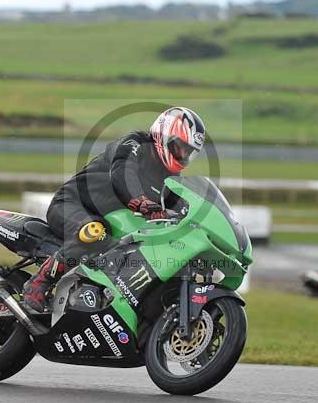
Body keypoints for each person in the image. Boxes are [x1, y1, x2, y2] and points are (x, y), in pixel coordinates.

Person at [22, 107, 206, 312]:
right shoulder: (134, 143)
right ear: (164, 134)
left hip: (110, 225)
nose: (182, 155)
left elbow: (180, 207)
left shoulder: (170, 180)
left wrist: (195, 222)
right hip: (71, 205)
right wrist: (144, 203)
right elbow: (122, 174)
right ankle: (38, 284)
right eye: (179, 147)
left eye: (188, 152)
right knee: (95, 231)